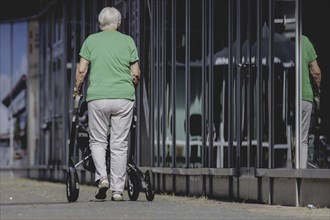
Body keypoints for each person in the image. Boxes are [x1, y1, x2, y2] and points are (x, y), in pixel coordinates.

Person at [73, 7, 140, 200]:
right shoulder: (128, 41)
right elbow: (135, 73)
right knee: (119, 143)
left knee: (98, 140)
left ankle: (102, 177)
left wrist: (78, 90)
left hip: (98, 98)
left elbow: (82, 71)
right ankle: (118, 191)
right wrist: (129, 87)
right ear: (118, 23)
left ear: (100, 23)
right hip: (123, 97)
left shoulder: (91, 41)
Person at [300, 35, 321, 169]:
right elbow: (316, 72)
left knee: (292, 135)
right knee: (303, 139)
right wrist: (317, 90)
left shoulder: (282, 40)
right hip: (304, 96)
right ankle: (300, 172)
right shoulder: (305, 41)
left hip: (286, 98)